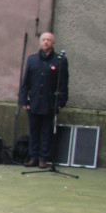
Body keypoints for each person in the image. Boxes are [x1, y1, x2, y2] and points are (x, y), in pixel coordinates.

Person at [19, 32, 68, 168]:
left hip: (50, 101)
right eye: (43, 40)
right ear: (40, 42)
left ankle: (43, 158)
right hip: (34, 101)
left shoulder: (60, 60)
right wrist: (23, 100)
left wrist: (61, 102)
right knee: (34, 131)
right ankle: (33, 156)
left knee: (47, 131)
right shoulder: (32, 59)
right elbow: (26, 82)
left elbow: (63, 83)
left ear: (53, 43)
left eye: (49, 40)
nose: (46, 42)